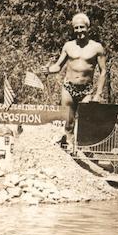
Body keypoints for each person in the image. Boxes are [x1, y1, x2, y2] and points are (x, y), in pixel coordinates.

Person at [43, 13, 107, 148]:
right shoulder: (68, 46)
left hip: (86, 90)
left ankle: (83, 149)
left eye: (82, 27)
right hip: (69, 88)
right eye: (76, 28)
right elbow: (58, 66)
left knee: (85, 121)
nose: (79, 31)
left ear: (88, 28)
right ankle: (68, 148)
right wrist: (48, 70)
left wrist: (98, 94)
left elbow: (103, 72)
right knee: (68, 121)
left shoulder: (97, 47)